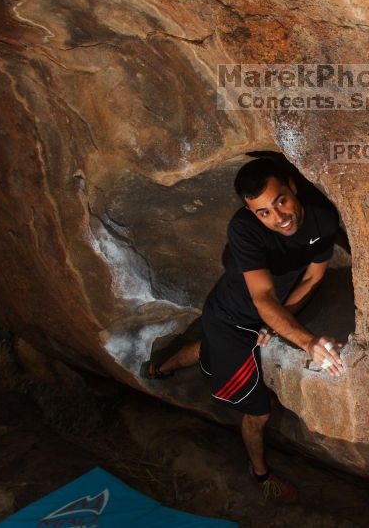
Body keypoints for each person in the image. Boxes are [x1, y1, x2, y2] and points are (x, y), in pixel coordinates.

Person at [140, 157, 345, 503]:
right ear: (252, 213)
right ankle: (260, 472)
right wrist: (306, 342)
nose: (278, 218)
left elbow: (313, 275)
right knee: (258, 412)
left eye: (280, 201)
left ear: (292, 187)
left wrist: (278, 323)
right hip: (231, 319)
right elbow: (263, 296)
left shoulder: (322, 217)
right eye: (263, 212)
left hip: (260, 317)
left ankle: (160, 368)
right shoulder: (244, 229)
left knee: (210, 352)